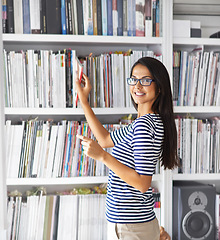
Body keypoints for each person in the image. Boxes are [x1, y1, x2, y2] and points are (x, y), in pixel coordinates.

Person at [76, 56, 178, 240]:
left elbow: (142, 183)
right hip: (134, 224)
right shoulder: (143, 122)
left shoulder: (144, 126)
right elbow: (105, 139)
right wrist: (84, 101)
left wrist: (102, 157)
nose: (137, 86)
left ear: (159, 87)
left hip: (130, 227)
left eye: (146, 81)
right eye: (133, 79)